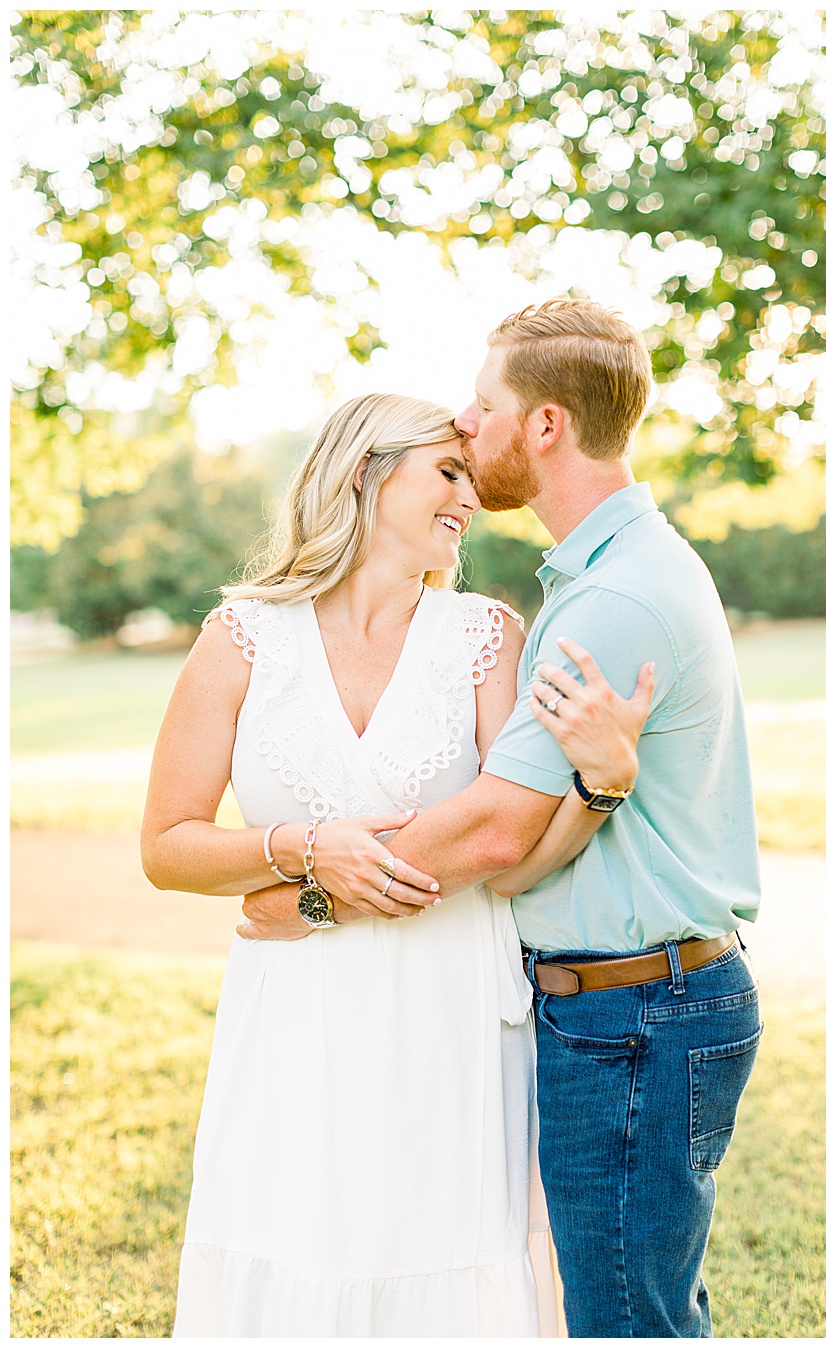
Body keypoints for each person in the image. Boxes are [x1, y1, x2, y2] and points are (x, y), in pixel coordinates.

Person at [227, 300, 763, 1337]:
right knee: (625, 1308)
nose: (467, 429)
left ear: (547, 426)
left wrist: (314, 896)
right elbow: (521, 849)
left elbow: (492, 833)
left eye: (484, 407)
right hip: (624, 1003)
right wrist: (601, 789)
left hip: (638, 1010)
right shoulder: (601, 575)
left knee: (625, 1322)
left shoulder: (618, 598)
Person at [143, 392, 655, 1334]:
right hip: (295, 1016)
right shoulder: (243, 637)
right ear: (365, 473)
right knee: (296, 1247)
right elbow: (167, 847)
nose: (469, 497)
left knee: (447, 1255)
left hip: (452, 1006)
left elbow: (512, 852)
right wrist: (299, 852)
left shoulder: (485, 637)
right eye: (447, 472)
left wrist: (602, 786)